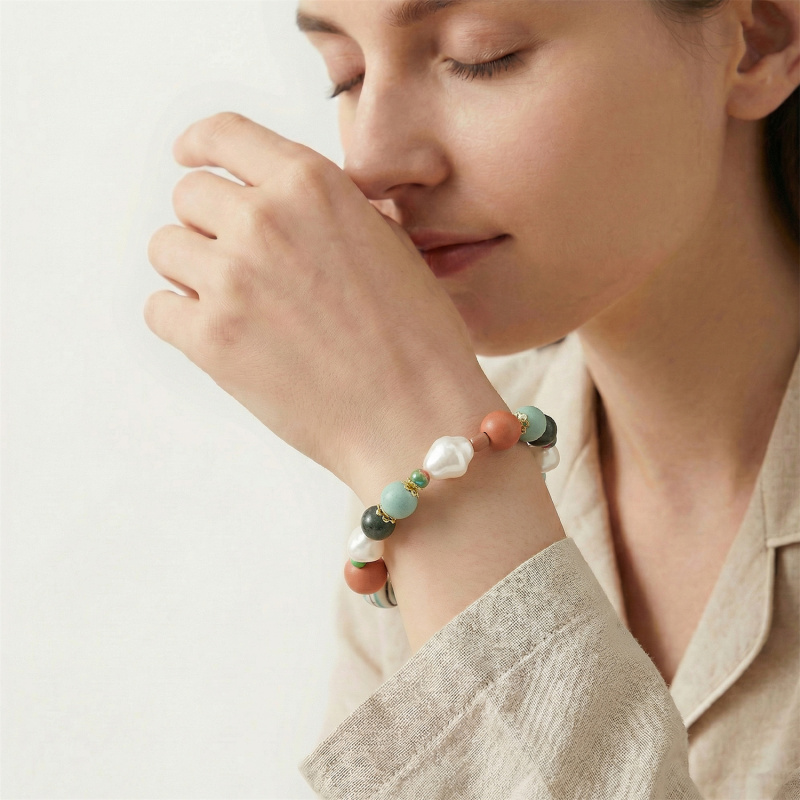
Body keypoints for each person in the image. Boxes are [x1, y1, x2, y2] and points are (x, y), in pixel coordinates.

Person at [144, 0, 799, 797]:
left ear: (759, 39)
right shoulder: (433, 455)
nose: (370, 160)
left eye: (480, 56)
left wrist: (449, 483)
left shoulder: (435, 460)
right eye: (346, 76)